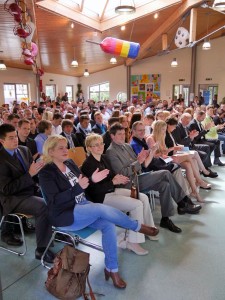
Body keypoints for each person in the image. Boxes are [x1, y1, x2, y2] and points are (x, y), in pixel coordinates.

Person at [39, 135, 158, 289]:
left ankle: (112, 269)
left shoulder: (69, 163)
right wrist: (77, 188)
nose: (65, 150)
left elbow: (85, 184)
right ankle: (136, 226)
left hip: (83, 205)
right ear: (50, 151)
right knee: (100, 208)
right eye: (60, 148)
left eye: (66, 146)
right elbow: (54, 201)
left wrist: (92, 180)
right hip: (65, 213)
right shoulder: (46, 173)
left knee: (108, 225)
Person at [106, 123, 201, 234]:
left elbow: (143, 165)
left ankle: (165, 219)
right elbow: (122, 173)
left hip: (139, 177)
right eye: (119, 134)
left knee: (164, 185)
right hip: (129, 184)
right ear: (112, 136)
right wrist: (139, 162)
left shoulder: (127, 146)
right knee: (165, 173)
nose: (123, 136)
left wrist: (147, 155)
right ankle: (183, 203)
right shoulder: (111, 151)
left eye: (123, 133)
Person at [81, 133, 158, 256]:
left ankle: (148, 229)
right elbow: (93, 190)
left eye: (101, 143)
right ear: (89, 148)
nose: (100, 146)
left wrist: (116, 178)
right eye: (96, 145)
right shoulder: (88, 164)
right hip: (101, 198)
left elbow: (111, 175)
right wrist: (113, 182)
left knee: (142, 197)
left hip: (111, 191)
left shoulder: (104, 158)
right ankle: (133, 242)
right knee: (136, 204)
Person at [0, 124, 54, 263]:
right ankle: (41, 250)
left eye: (15, 136)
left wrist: (42, 169)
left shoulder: (24, 150)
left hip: (30, 190)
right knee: (44, 206)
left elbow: (34, 173)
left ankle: (51, 234)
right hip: (13, 198)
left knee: (55, 195)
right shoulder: (1, 159)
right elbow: (7, 189)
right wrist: (30, 175)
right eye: (11, 138)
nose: (15, 140)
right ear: (2, 141)